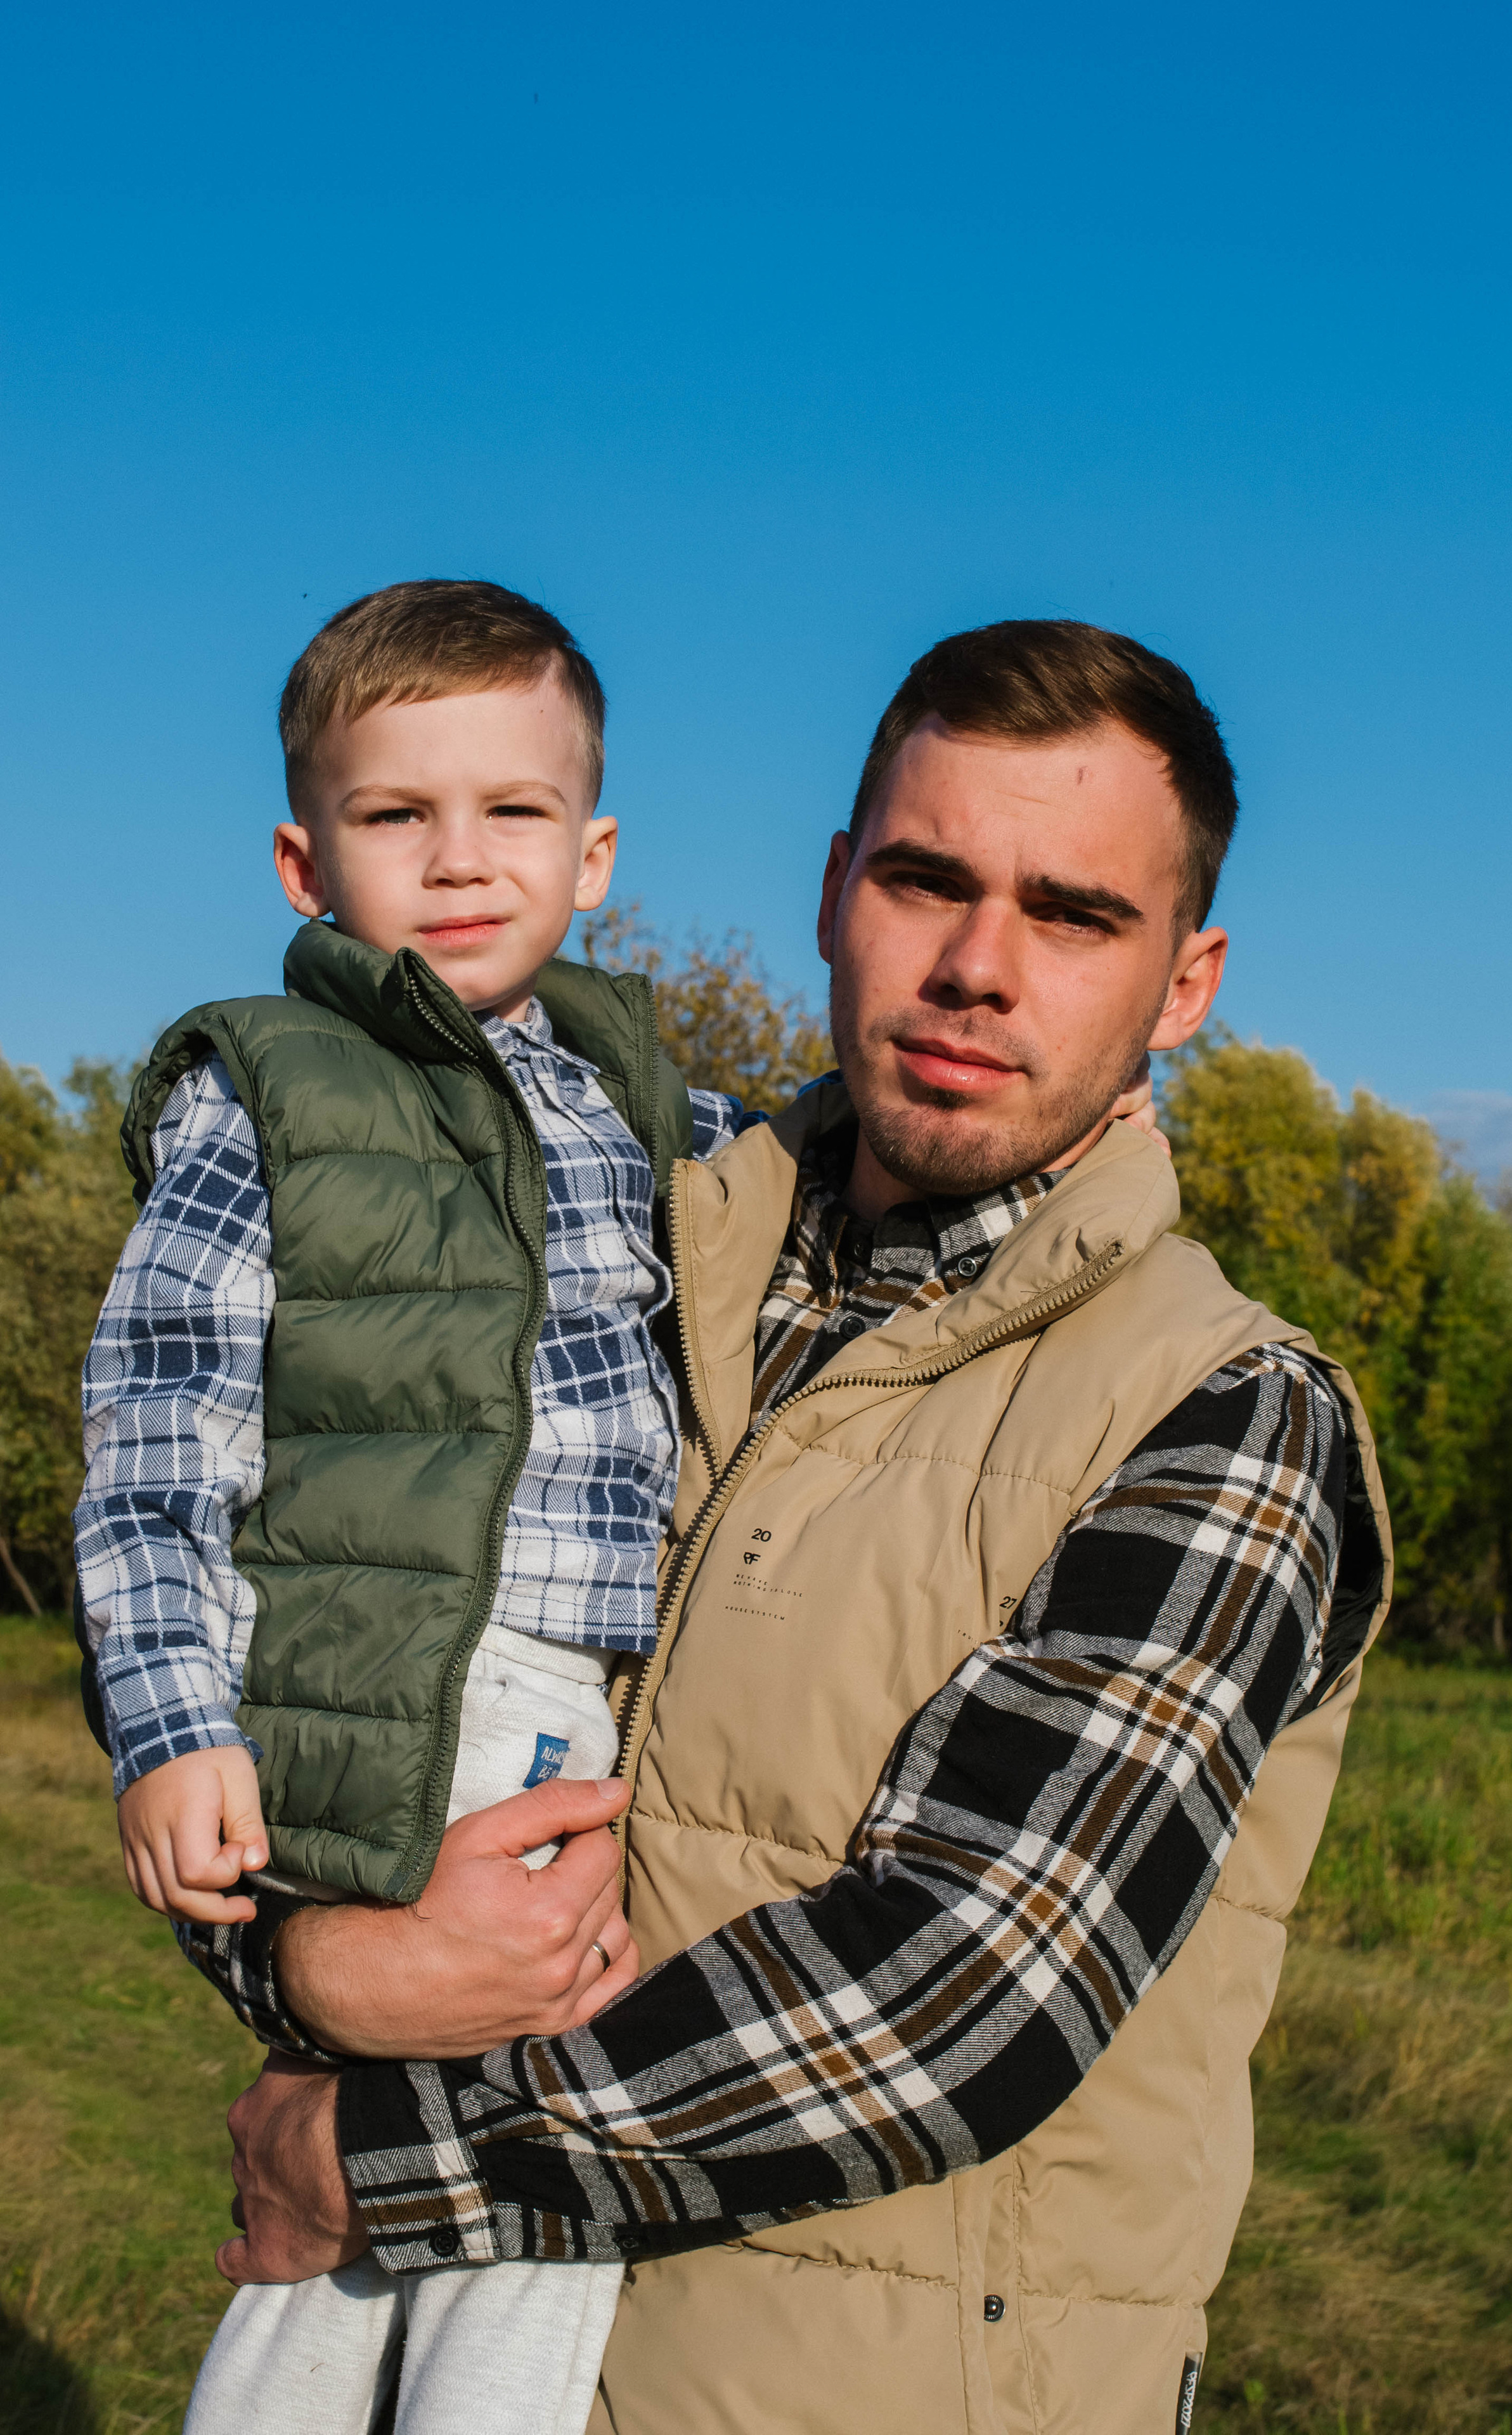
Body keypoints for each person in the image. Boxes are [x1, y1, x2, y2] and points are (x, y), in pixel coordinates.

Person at [162, 620, 1392, 2434]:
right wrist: (296, 1954)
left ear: (1186, 981)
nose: (978, 968)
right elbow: (308, 1633)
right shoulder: (615, 1253)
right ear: (834, 891)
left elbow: (964, 1992)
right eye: (925, 879)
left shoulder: (1228, 1414)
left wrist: (377, 2156)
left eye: (1073, 915)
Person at [72, 578, 757, 2435]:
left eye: (512, 812)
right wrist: (167, 1723)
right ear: (308, 862)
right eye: (397, 816)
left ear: (594, 850)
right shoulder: (272, 1092)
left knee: (413, 2170)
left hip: (584, 1698)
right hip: (427, 1687)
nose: (459, 861)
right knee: (527, 2187)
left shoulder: (644, 1100)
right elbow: (158, 1437)